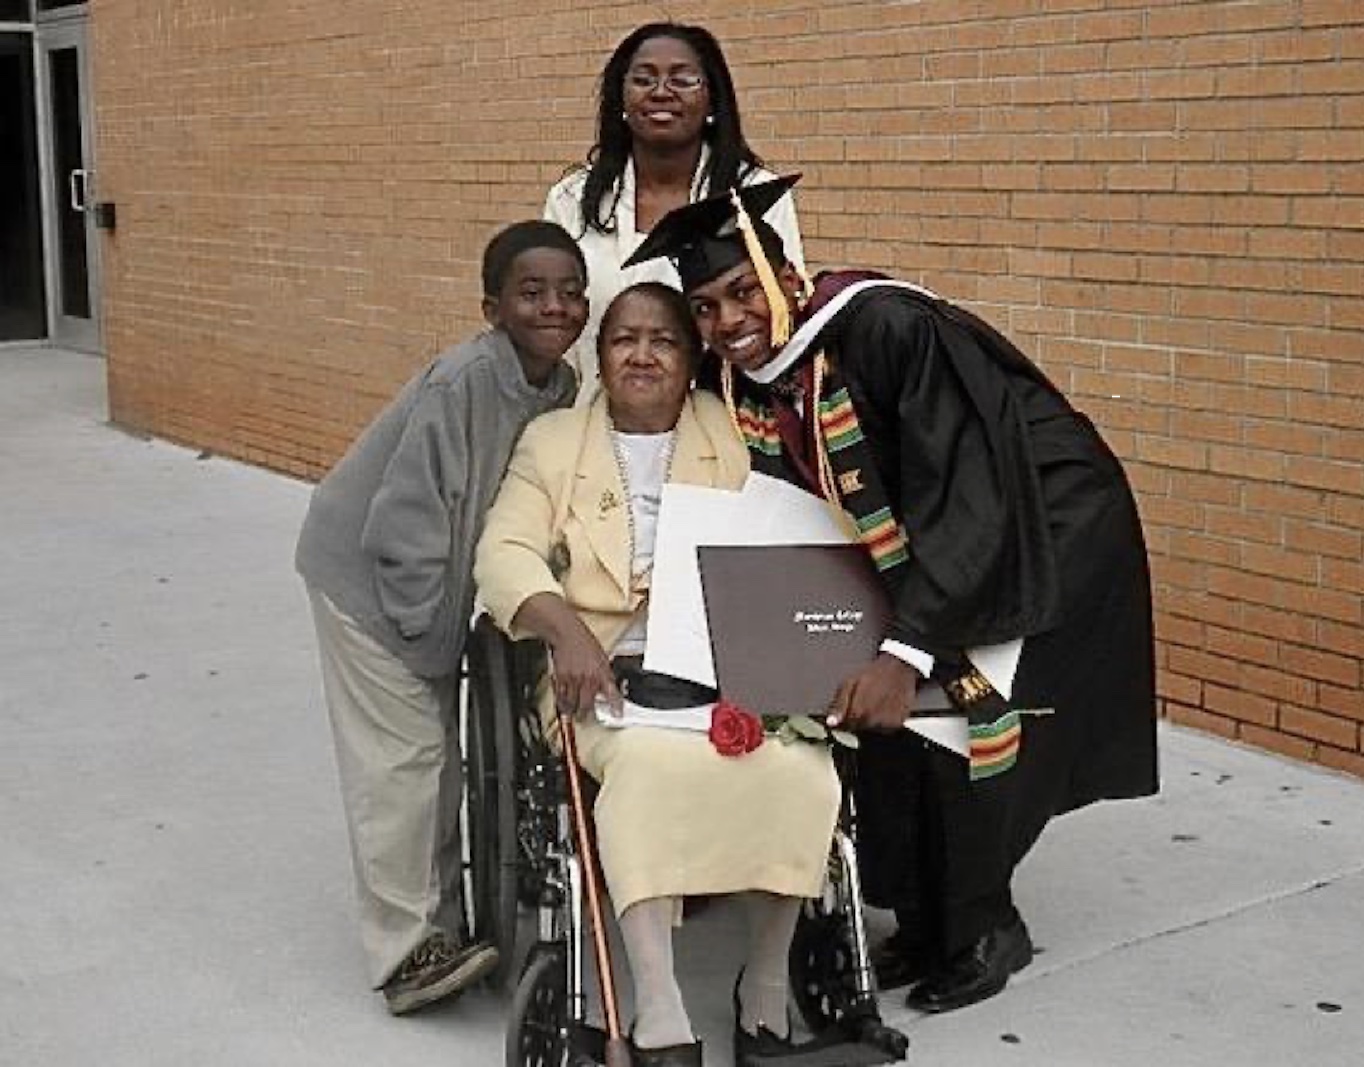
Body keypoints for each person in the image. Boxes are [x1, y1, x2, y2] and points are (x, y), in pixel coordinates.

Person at [623, 177, 1161, 1015]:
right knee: (890, 728)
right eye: (705, 308)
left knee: (968, 717)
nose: (728, 321)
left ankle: (985, 926)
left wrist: (905, 646)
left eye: (740, 292)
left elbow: (969, 490)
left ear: (786, 275)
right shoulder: (759, 374)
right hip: (931, 536)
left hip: (1042, 523)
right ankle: (923, 919)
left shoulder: (885, 326)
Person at [473, 283, 839, 1067]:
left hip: (719, 660)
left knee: (802, 766)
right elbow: (502, 552)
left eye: (664, 341)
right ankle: (661, 1008)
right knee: (649, 769)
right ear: (600, 357)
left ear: (692, 357)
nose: (642, 355)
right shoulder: (553, 441)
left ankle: (766, 984)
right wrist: (565, 629)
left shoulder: (726, 429)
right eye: (623, 340)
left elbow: (782, 537)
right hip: (600, 672)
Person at [294, 221, 587, 1014]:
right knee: (405, 762)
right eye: (531, 293)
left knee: (439, 762)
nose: (554, 306)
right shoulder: (465, 381)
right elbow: (406, 520)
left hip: (428, 587)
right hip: (373, 582)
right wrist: (429, 637)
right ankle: (403, 955)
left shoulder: (557, 386)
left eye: (570, 291)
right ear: (493, 307)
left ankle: (447, 928)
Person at [544, 21, 804, 404]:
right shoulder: (573, 200)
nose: (661, 92)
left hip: (724, 426)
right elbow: (553, 328)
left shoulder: (752, 195)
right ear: (620, 100)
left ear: (713, 100)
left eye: (683, 80)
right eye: (643, 79)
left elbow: (782, 317)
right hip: (595, 423)